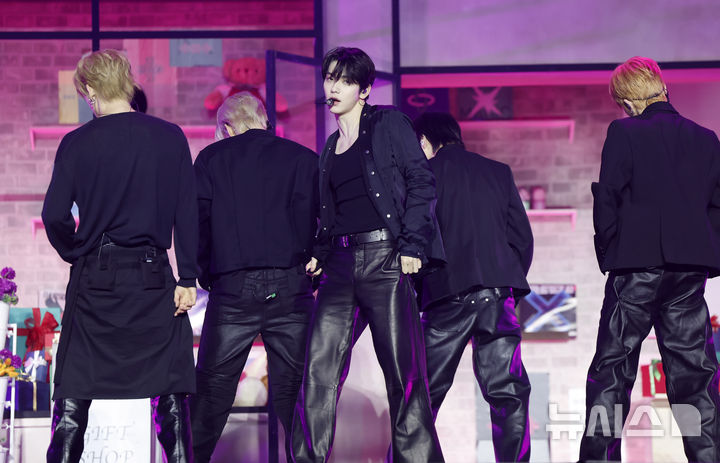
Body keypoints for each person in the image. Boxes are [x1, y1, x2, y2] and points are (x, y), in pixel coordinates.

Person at [41, 49, 198, 463]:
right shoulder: (170, 137)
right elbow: (187, 211)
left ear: (91, 91)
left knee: (73, 395)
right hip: (154, 279)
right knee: (170, 393)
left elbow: (54, 215)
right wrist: (188, 278)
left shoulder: (76, 143)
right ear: (128, 84)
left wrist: (77, 250)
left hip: (96, 278)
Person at [290, 46, 446, 463]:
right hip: (339, 268)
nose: (333, 87)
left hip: (385, 260)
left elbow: (421, 182)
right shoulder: (329, 148)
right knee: (318, 372)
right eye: (329, 78)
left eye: (344, 81)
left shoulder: (388, 123)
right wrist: (319, 252)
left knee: (402, 375)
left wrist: (412, 245)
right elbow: (332, 213)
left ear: (364, 90)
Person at [579, 56, 720, 462]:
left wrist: (611, 253)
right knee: (696, 380)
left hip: (635, 270)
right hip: (688, 272)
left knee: (612, 374)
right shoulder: (706, 138)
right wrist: (702, 255)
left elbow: (608, 198)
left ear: (627, 101)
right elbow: (717, 207)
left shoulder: (624, 132)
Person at [190, 92, 318, 462]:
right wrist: (314, 263)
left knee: (211, 395)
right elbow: (323, 218)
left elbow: (198, 225)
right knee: (297, 396)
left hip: (233, 286)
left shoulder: (211, 159)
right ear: (264, 120)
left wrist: (206, 275)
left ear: (227, 126)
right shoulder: (303, 159)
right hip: (292, 286)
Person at [413, 112, 534, 462]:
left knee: (420, 398)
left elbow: (416, 242)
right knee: (508, 396)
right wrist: (504, 281)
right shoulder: (498, 172)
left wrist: (421, 289)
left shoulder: (422, 177)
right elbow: (522, 240)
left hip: (446, 296)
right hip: (498, 296)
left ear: (424, 141)